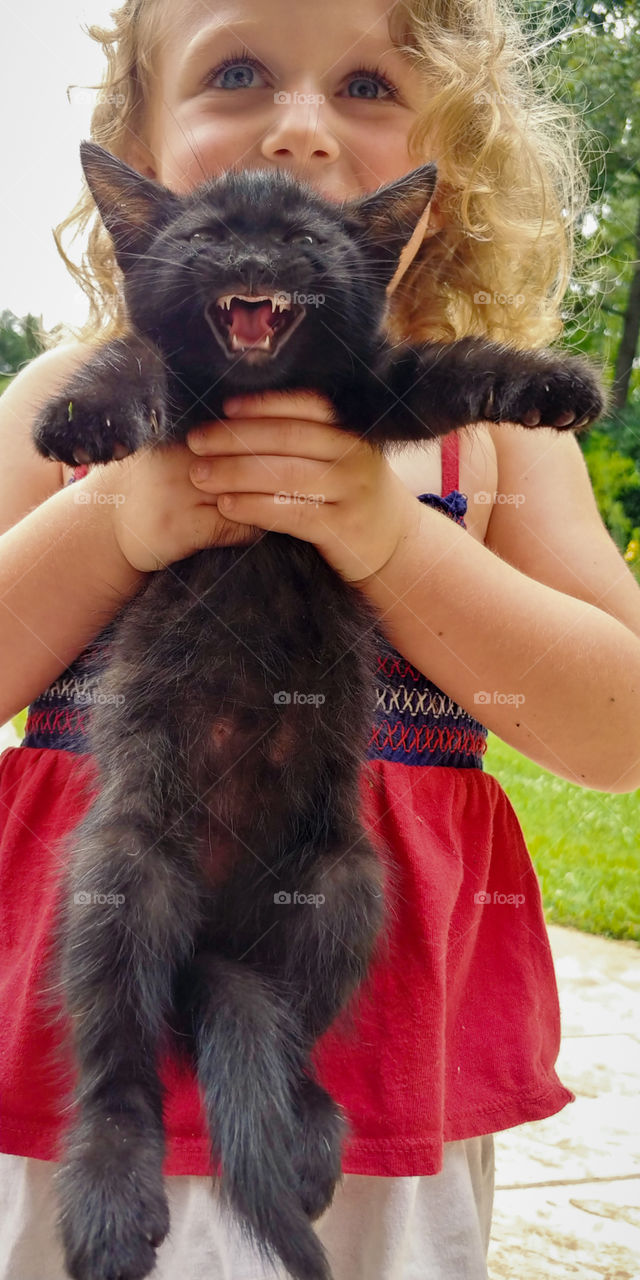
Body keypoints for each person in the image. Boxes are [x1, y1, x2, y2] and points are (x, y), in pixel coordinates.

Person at [1, 1, 640, 1277]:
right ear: (138, 148)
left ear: (430, 189)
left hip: (368, 1038)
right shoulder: (75, 398)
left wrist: (393, 537)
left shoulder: (488, 434)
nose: (298, 129)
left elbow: (617, 727)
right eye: (237, 71)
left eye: (365, 84)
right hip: (85, 1016)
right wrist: (119, 517)